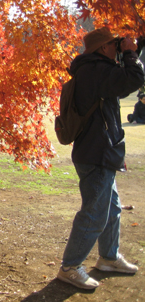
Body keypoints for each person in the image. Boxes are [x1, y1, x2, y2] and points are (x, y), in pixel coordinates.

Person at [57, 27, 144, 289]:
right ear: (102, 49)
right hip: (96, 153)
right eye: (113, 45)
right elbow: (132, 79)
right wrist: (130, 53)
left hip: (101, 151)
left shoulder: (94, 69)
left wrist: (133, 48)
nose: (117, 48)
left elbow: (119, 80)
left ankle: (108, 257)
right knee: (94, 213)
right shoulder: (95, 70)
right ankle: (70, 266)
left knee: (112, 208)